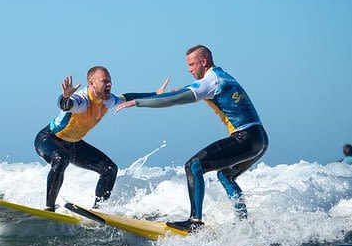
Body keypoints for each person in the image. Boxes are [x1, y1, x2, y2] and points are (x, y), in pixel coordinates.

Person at [116, 45, 268, 232]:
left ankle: (194, 222)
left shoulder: (211, 81)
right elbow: (196, 90)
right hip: (260, 139)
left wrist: (137, 102)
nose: (189, 69)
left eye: (191, 64)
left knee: (193, 165)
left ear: (203, 62)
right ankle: (244, 225)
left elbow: (174, 99)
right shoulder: (222, 76)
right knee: (225, 175)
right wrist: (183, 89)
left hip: (244, 137)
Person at [34, 66, 168, 211]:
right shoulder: (81, 100)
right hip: (49, 139)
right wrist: (65, 97)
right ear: (92, 84)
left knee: (109, 169)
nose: (109, 84)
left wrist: (154, 94)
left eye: (110, 81)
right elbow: (66, 105)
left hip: (74, 144)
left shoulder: (108, 100)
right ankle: (49, 207)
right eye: (105, 81)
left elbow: (127, 97)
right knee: (61, 159)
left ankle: (98, 210)